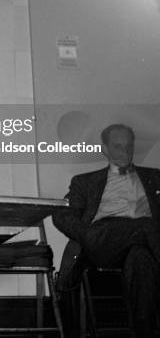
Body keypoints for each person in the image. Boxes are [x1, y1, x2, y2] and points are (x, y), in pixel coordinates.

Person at [53, 123, 160, 337]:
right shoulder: (86, 182)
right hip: (102, 238)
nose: (124, 151)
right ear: (105, 149)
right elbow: (61, 214)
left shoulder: (155, 177)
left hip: (142, 241)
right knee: (147, 226)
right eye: (117, 146)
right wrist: (87, 234)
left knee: (141, 259)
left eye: (128, 146)